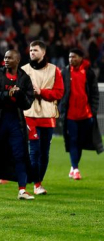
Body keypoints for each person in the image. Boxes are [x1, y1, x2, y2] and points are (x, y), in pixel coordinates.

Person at [0, 49, 35, 200]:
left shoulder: (24, 78)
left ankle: (22, 190)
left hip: (15, 121)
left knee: (20, 153)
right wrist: (7, 94)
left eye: (10, 58)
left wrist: (19, 95)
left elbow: (28, 102)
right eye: (5, 57)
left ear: (17, 60)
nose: (6, 60)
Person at [21, 40, 64, 195]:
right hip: (30, 115)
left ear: (43, 52)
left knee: (44, 152)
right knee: (34, 151)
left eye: (35, 50)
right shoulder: (23, 70)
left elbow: (59, 92)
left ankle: (37, 181)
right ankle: (36, 184)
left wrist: (42, 92)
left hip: (47, 116)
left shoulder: (54, 70)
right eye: (31, 50)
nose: (32, 52)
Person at [59, 49, 103, 179]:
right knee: (73, 140)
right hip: (70, 115)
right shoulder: (65, 72)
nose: (71, 59)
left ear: (81, 58)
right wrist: (62, 110)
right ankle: (76, 168)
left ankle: (73, 167)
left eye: (73, 57)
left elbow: (94, 93)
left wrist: (93, 110)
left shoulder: (89, 72)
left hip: (86, 115)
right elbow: (61, 92)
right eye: (69, 57)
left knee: (80, 142)